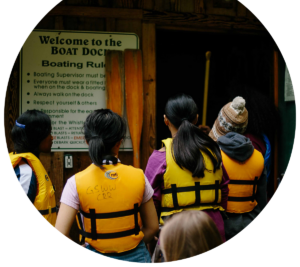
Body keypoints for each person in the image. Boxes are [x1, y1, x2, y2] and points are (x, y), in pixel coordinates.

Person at [55, 109, 158, 263]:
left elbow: (60, 233)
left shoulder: (75, 183)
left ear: (88, 142)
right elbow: (152, 227)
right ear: (119, 142)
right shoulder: (139, 176)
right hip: (137, 257)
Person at [145, 94, 229, 243]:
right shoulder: (214, 152)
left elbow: (150, 201)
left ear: (166, 120)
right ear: (196, 119)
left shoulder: (159, 159)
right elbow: (223, 189)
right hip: (213, 231)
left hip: (175, 236)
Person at [208, 97, 266, 240]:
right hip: (250, 222)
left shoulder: (212, 156)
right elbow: (262, 198)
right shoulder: (259, 157)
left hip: (220, 226)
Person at [10, 110, 57, 226]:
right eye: (49, 133)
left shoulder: (23, 166)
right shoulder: (25, 172)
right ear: (37, 137)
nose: (52, 138)